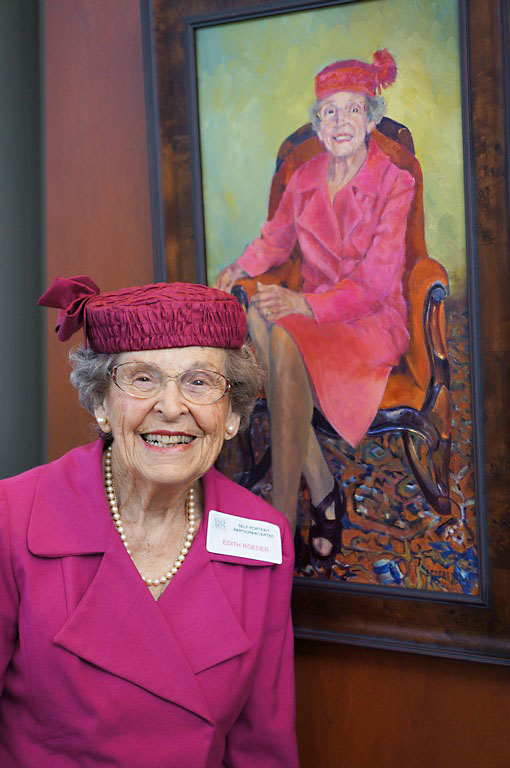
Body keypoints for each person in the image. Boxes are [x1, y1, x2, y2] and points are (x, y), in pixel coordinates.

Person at [0, 276, 299, 767]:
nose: (172, 407)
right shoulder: (13, 517)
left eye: (199, 382)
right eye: (143, 379)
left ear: (231, 415)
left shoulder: (265, 536)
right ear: (101, 403)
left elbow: (262, 749)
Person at [216, 50, 415, 566]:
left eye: (353, 110)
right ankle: (324, 488)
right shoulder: (305, 178)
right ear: (318, 123)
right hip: (314, 314)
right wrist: (239, 268)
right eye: (330, 111)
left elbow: (375, 286)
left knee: (282, 331)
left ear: (371, 119)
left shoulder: (396, 182)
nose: (341, 121)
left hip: (369, 321)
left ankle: (281, 525)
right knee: (257, 312)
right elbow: (275, 240)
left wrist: (302, 303)